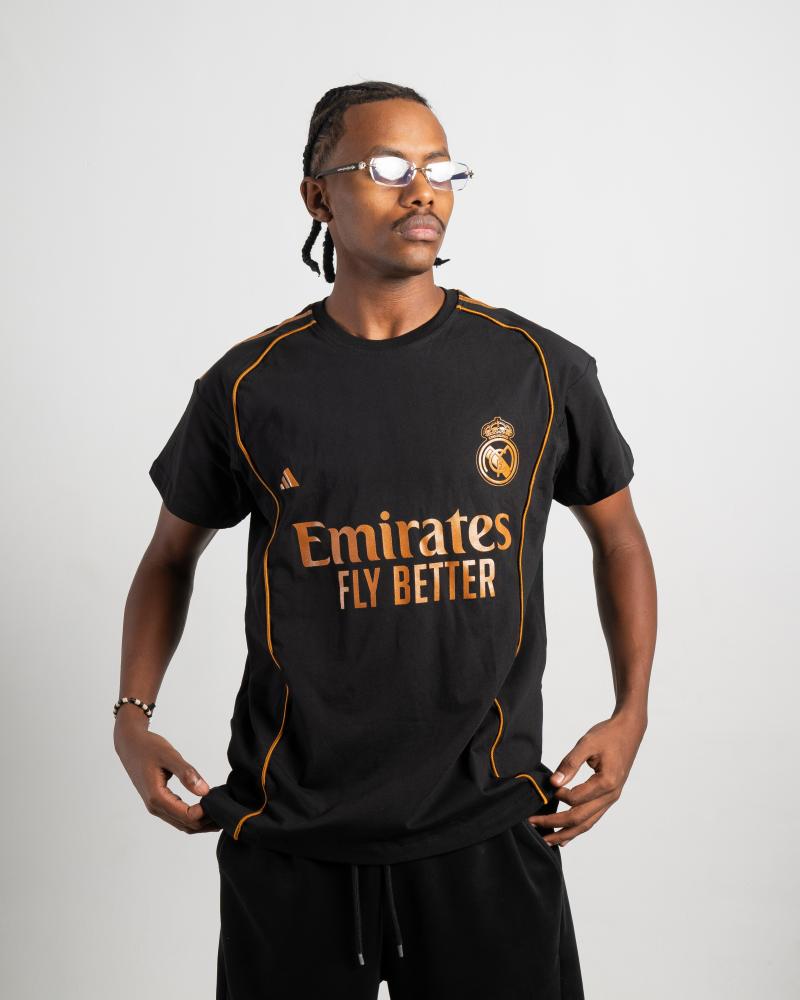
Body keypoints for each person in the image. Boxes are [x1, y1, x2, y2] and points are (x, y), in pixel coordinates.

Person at [114, 80, 657, 1000]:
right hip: (292, 834)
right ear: (318, 196)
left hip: (486, 827)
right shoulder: (248, 386)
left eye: (441, 168)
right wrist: (133, 716)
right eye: (389, 167)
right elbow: (171, 556)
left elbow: (621, 538)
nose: (424, 190)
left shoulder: (537, 369)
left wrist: (631, 709)